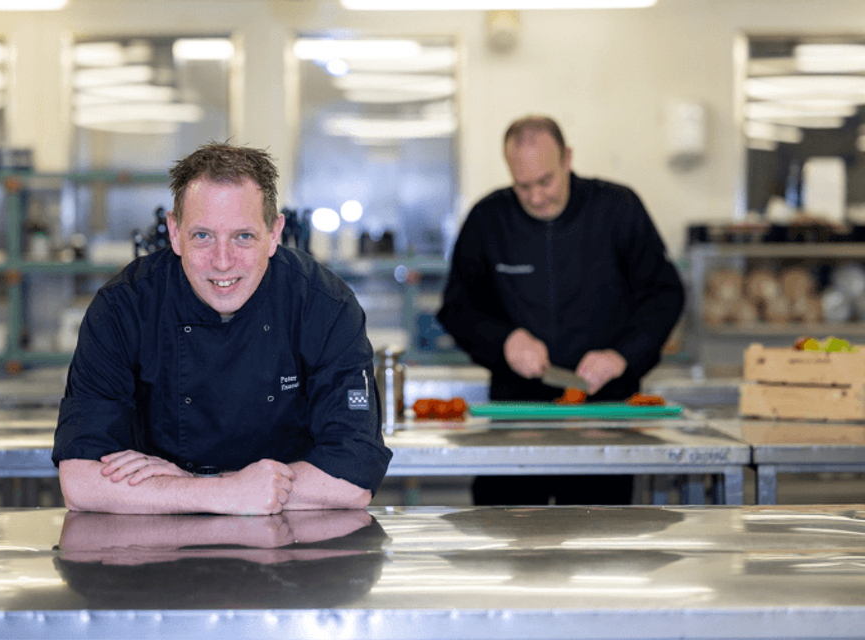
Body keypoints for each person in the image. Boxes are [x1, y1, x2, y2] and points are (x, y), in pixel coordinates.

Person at [53, 142, 392, 515]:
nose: (222, 261)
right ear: (174, 231)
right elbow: (81, 483)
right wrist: (225, 493)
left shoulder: (323, 306)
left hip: (295, 554)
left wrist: (181, 488)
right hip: (155, 557)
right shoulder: (124, 307)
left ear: (274, 232)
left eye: (243, 236)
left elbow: (353, 477)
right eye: (202, 236)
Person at [437, 115, 685, 506]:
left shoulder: (617, 209)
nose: (536, 197)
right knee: (508, 548)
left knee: (597, 551)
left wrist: (622, 356)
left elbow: (665, 294)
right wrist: (505, 342)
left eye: (545, 182)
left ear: (567, 159)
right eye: (523, 186)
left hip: (604, 420)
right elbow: (457, 308)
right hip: (515, 421)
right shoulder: (488, 220)